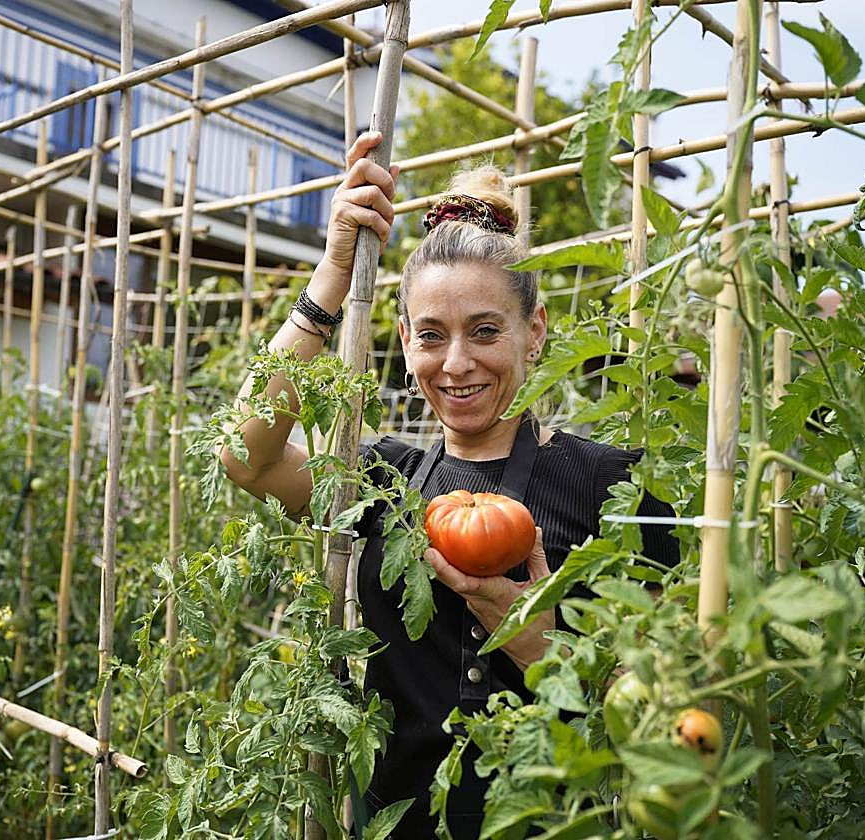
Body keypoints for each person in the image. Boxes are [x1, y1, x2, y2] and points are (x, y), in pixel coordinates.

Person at [220, 132, 679, 838]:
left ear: (535, 332)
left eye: (485, 330)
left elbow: (665, 721)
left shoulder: (615, 486)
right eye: (431, 335)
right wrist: (330, 279)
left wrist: (540, 645)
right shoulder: (376, 478)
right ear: (404, 341)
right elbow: (244, 455)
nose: (456, 363)